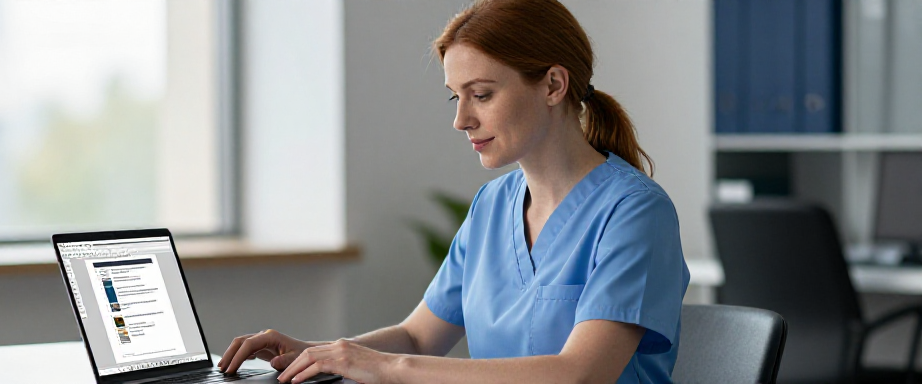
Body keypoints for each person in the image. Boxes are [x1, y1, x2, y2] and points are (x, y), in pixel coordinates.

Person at [220, 0, 690, 382]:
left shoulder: (634, 212)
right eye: (455, 96)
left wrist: (385, 368)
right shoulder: (491, 207)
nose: (461, 119)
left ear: (552, 84)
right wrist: (318, 353)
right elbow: (418, 337)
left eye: (481, 95)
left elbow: (580, 374)